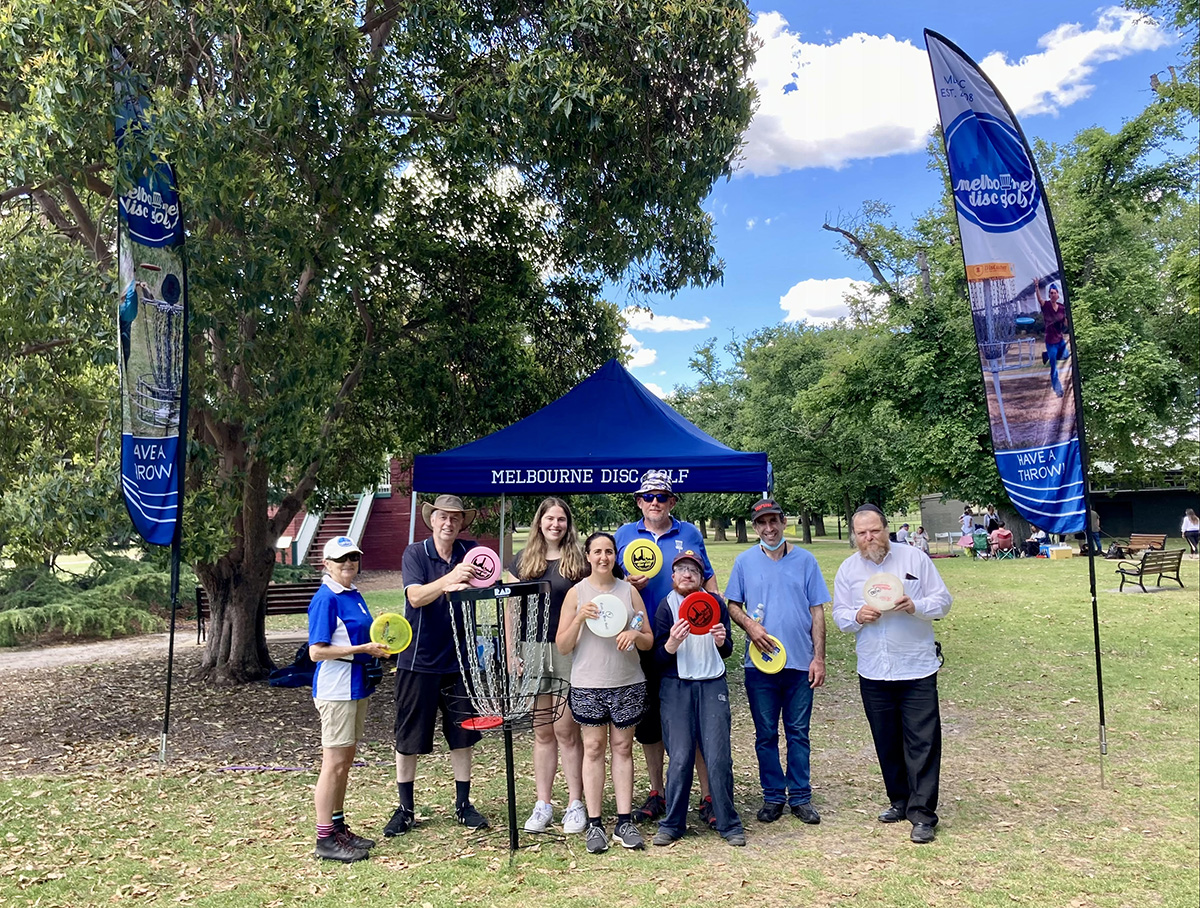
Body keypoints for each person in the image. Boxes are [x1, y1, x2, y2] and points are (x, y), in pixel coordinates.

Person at [833, 504, 952, 845]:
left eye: (875, 530)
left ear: (886, 529)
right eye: (862, 532)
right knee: (886, 740)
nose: (869, 537)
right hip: (873, 668)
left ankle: (923, 813)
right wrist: (857, 616)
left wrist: (917, 606)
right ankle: (899, 801)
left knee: (923, 741)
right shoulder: (848, 569)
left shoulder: (914, 559)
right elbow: (840, 614)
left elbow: (943, 601)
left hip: (915, 665)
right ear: (854, 536)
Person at [614, 469, 719, 826]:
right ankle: (657, 792)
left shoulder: (689, 532)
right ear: (639, 502)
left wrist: (715, 613)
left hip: (688, 639)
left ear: (672, 501)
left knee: (695, 721)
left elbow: (709, 578)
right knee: (649, 723)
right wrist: (624, 582)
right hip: (642, 639)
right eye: (648, 497)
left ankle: (708, 796)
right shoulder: (624, 534)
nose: (655, 502)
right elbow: (608, 582)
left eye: (662, 497)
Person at [384, 495, 491, 838]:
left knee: (463, 735)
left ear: (462, 523)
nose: (449, 524)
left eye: (455, 519)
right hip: (418, 659)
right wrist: (448, 580)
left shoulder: (471, 552)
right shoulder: (415, 553)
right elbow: (415, 597)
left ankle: (463, 804)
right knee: (409, 735)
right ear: (432, 520)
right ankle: (406, 809)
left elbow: (489, 587)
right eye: (443, 517)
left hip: (460, 661)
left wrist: (469, 587)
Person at [725, 498, 829, 826]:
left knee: (798, 732)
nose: (769, 528)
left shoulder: (806, 561)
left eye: (774, 521)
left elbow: (817, 611)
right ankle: (772, 795)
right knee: (766, 733)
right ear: (755, 527)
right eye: (762, 523)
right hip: (760, 666)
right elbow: (732, 605)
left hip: (799, 664)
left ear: (784, 522)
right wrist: (751, 626)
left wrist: (819, 658)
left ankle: (800, 795)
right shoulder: (744, 562)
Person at [556, 532, 654, 853]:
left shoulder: (629, 591)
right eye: (597, 551)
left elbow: (648, 637)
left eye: (609, 551)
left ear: (616, 556)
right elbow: (563, 645)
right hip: (588, 683)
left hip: (627, 681)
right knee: (594, 749)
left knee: (623, 748)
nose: (603, 557)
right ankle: (595, 823)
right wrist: (580, 618)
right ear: (587, 556)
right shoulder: (576, 594)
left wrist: (633, 634)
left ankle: (624, 822)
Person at [503, 497, 587, 835]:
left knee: (567, 730)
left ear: (568, 524)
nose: (555, 524)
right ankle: (543, 804)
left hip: (568, 649)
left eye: (561, 519)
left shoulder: (578, 561)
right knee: (542, 731)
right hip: (531, 649)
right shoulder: (522, 561)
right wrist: (512, 652)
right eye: (549, 518)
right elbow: (510, 608)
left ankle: (575, 803)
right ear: (539, 522)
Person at [307, 536, 391, 862]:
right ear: (326, 564)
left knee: (345, 761)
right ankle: (324, 838)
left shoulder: (353, 594)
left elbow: (360, 634)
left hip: (356, 687)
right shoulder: (326, 598)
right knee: (333, 764)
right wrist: (362, 650)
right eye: (341, 559)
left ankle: (338, 827)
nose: (348, 564)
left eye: (353, 558)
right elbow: (316, 651)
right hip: (336, 690)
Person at [652, 551, 745, 847]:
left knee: (718, 757)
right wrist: (671, 643)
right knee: (679, 758)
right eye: (681, 570)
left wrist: (721, 641)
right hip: (676, 687)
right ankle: (673, 823)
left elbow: (727, 649)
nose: (687, 575)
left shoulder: (715, 603)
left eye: (693, 570)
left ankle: (728, 821)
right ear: (673, 577)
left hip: (711, 683)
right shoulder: (667, 606)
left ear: (702, 575)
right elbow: (655, 659)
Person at [1036, 280, 1068, 398]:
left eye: (1054, 293)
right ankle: (1058, 390)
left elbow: (1065, 322)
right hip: (1050, 341)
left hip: (1060, 339)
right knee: (1054, 368)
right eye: (1051, 293)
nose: (1053, 295)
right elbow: (1039, 299)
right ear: (1049, 295)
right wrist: (1036, 287)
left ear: (1058, 294)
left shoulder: (1061, 307)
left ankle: (1046, 356)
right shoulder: (1046, 305)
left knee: (1065, 356)